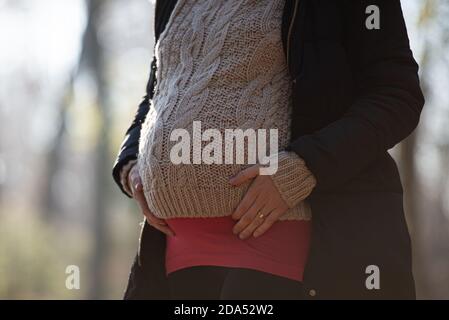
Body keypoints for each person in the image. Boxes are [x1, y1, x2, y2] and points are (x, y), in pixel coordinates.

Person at [112, 0, 425, 300]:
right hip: (175, 248)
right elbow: (160, 91)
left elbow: (396, 95)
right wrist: (132, 164)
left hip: (284, 238)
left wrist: (305, 166)